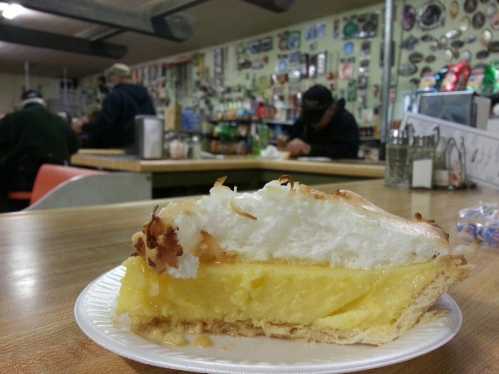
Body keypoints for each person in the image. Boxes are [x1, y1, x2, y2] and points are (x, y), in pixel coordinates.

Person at [0, 90, 79, 211]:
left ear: (22, 104)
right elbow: (74, 147)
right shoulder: (61, 122)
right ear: (43, 103)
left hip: (20, 190)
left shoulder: (11, 119)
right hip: (56, 188)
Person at [75, 63, 156, 148]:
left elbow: (104, 123)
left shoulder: (115, 95)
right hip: (142, 148)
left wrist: (84, 127)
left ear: (116, 77)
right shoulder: (145, 95)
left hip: (119, 148)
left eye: (111, 78)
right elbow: (152, 120)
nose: (111, 81)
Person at [287, 85, 359, 159]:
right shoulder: (304, 119)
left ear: (331, 109)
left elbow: (350, 152)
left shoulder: (345, 120)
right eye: (308, 116)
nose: (312, 123)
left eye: (316, 117)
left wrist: (311, 149)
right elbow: (293, 140)